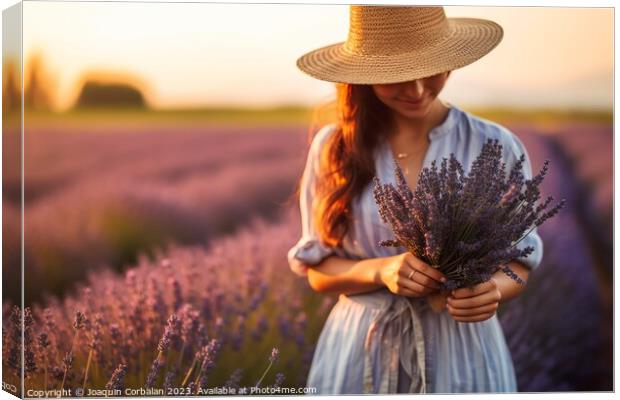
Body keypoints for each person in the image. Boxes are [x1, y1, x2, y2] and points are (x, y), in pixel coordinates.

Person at [287, 5, 543, 395]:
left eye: (433, 70)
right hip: (363, 350)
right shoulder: (334, 148)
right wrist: (381, 271)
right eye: (398, 77)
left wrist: (491, 291)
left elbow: (519, 263)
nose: (418, 89)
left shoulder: (495, 146)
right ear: (364, 75)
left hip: (462, 354)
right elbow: (319, 271)